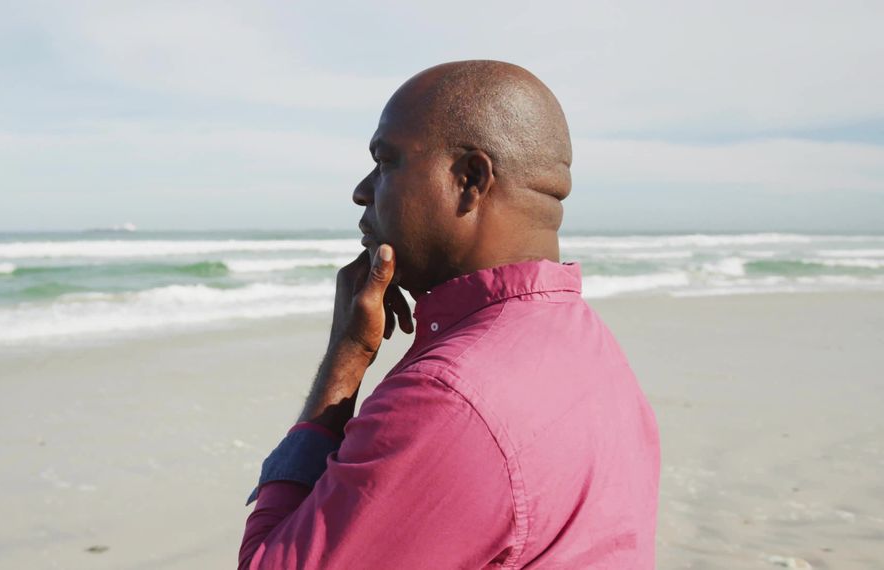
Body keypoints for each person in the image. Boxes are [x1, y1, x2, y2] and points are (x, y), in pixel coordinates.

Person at [238, 60, 660, 569]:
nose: (362, 190)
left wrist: (344, 362)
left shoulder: (447, 398)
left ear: (470, 179)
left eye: (386, 162)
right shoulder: (589, 345)